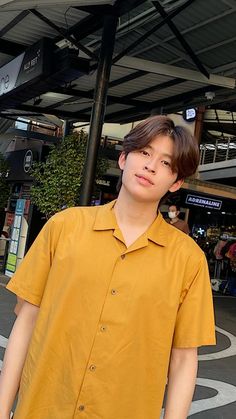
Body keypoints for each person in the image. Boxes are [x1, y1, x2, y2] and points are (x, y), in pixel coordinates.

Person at [0, 115, 215, 419]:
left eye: (166, 163)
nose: (151, 166)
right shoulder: (64, 227)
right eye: (144, 152)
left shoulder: (188, 260)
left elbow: (183, 360)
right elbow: (26, 322)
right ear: (124, 158)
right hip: (42, 408)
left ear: (176, 182)